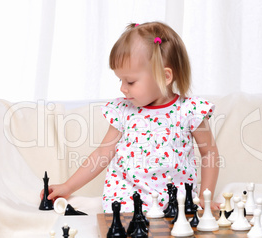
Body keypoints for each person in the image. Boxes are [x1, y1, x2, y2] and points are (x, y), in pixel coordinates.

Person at [40, 22, 220, 212]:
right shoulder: (123, 110)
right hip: (127, 202)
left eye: (131, 81)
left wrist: (205, 198)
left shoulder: (191, 111)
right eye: (120, 79)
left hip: (178, 204)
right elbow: (102, 154)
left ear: (166, 77)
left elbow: (209, 153)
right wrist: (68, 186)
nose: (122, 88)